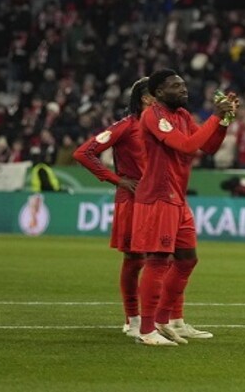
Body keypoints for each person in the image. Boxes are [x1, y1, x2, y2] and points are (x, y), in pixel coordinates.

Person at [132, 69, 236, 346]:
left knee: (187, 259)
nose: (183, 90)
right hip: (157, 196)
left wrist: (224, 120)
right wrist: (214, 116)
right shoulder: (153, 116)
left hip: (177, 197)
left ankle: (163, 321)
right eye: (175, 87)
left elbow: (209, 147)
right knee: (157, 261)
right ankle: (146, 330)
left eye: (184, 85)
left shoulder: (182, 116)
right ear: (158, 93)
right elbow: (187, 145)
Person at [71, 77, 152, 336]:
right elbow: (84, 152)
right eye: (157, 93)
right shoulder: (127, 126)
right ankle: (133, 319)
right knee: (135, 258)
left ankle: (162, 319)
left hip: (159, 198)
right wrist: (117, 179)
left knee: (167, 258)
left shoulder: (165, 127)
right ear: (145, 98)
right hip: (133, 198)